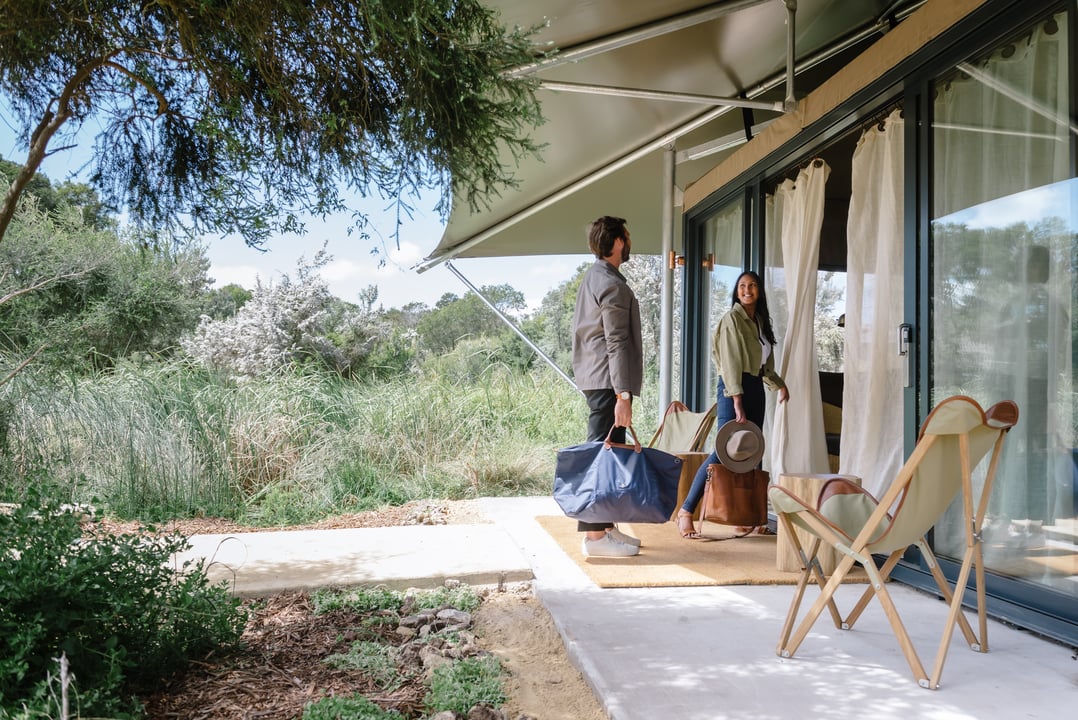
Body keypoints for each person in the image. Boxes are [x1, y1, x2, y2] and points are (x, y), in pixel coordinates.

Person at [677, 270, 789, 539]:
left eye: (752, 286)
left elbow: (764, 366)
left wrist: (780, 385)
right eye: (742, 286)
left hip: (755, 388)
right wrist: (736, 400)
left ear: (759, 291)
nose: (747, 290)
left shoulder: (760, 322)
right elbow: (730, 364)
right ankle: (686, 511)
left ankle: (748, 516)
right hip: (733, 388)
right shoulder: (732, 320)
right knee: (724, 452)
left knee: (752, 452)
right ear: (736, 292)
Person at [570, 215, 644, 557]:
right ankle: (595, 538)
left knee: (609, 453)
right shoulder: (611, 284)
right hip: (607, 380)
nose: (628, 243)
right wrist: (622, 394)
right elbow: (615, 341)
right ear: (616, 243)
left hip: (597, 376)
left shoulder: (596, 276)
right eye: (626, 238)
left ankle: (606, 527)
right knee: (603, 454)